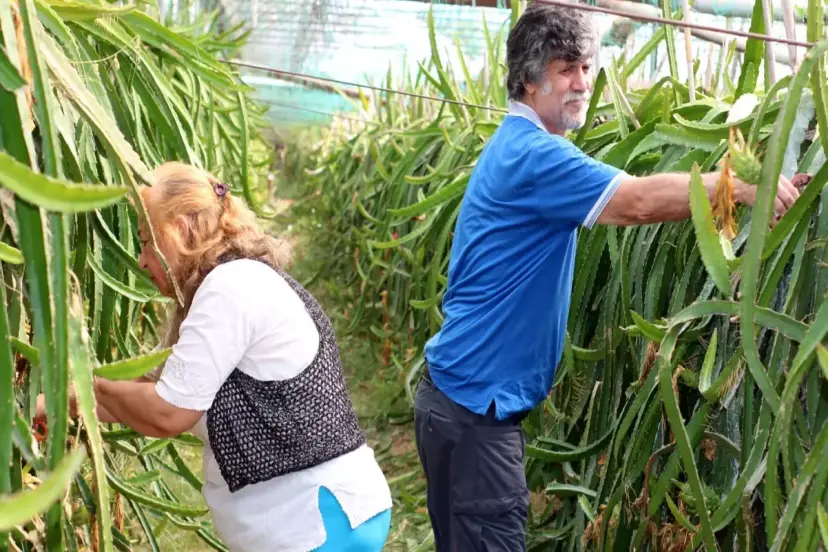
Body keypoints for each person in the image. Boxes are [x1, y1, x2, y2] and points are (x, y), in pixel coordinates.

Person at [412, 4, 801, 552]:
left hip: (459, 402)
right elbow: (637, 202)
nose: (582, 83)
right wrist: (736, 185)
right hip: (476, 414)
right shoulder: (533, 157)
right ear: (528, 77)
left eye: (588, 68)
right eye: (567, 67)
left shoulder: (521, 149)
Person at [39, 162, 393, 551]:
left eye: (146, 240)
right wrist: (54, 402)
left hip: (319, 521)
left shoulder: (231, 286)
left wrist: (85, 391)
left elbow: (167, 411)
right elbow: (148, 387)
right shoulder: (225, 286)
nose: (141, 260)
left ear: (179, 230)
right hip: (315, 520)